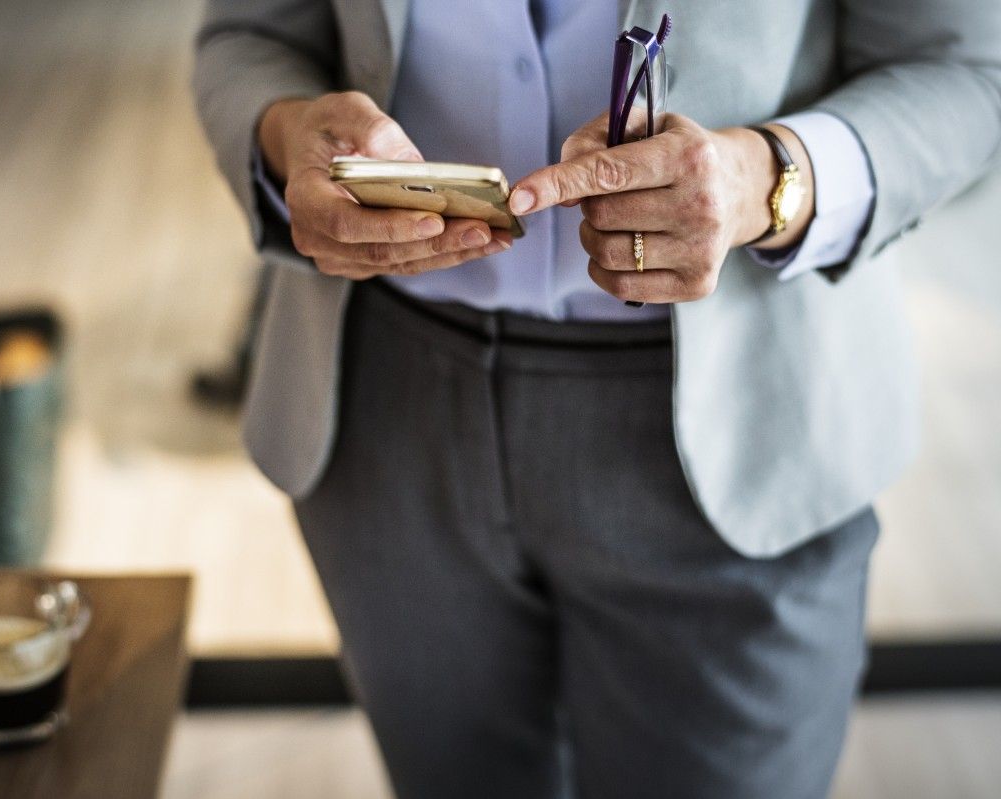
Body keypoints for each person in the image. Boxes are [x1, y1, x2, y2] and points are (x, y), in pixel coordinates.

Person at [193, 2, 1000, 797]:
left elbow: (969, 74)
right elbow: (248, 37)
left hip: (740, 428)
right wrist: (287, 134)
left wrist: (764, 180)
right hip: (386, 413)